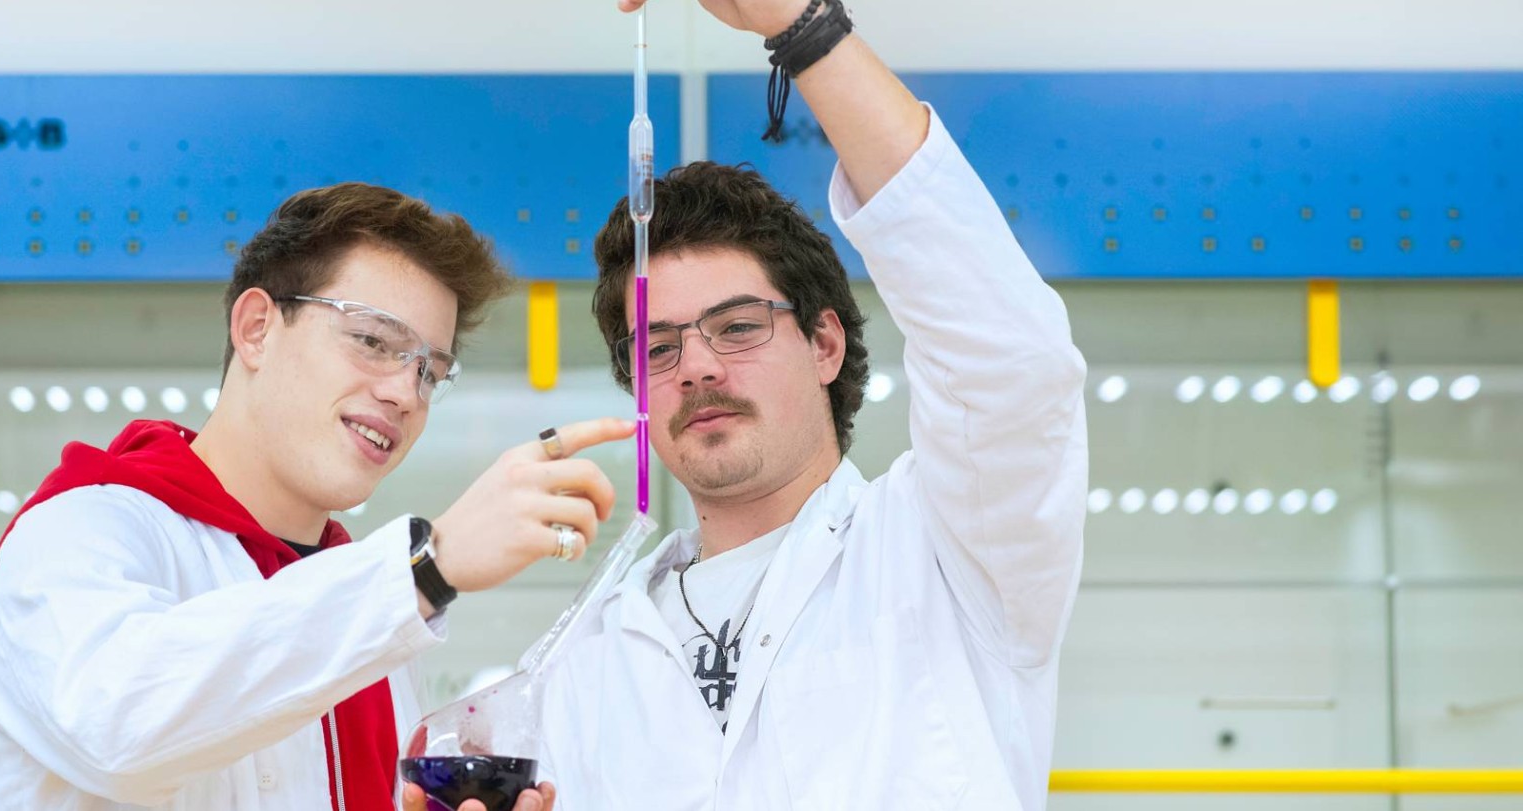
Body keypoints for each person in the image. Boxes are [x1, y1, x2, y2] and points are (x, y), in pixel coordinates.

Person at [406, 0, 1089, 808]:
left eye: (737, 326)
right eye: (659, 347)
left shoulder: (950, 553)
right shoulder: (584, 666)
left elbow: (1013, 360)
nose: (695, 365)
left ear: (825, 345)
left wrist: (805, 28)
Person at [0, 182, 620, 810]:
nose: (406, 392)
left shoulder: (361, 606)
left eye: (430, 369)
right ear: (257, 327)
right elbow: (113, 728)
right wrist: (429, 565)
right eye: (374, 341)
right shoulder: (83, 530)